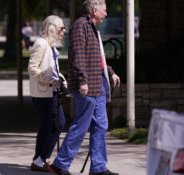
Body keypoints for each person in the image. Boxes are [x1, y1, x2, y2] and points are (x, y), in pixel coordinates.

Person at [48, 0, 120, 175]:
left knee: (101, 126)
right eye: (105, 10)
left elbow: (98, 57)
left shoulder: (93, 28)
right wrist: (82, 81)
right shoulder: (80, 26)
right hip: (88, 86)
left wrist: (110, 72)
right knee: (81, 125)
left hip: (99, 85)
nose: (106, 13)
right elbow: (77, 56)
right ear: (95, 11)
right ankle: (60, 165)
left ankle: (98, 167)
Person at [28, 15, 66, 172]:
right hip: (43, 93)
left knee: (56, 124)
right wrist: (49, 81)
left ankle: (40, 158)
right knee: (50, 125)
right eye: (62, 28)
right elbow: (32, 68)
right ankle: (39, 160)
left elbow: (53, 69)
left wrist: (62, 80)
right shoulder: (41, 44)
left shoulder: (50, 45)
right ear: (52, 29)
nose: (64, 31)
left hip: (52, 91)